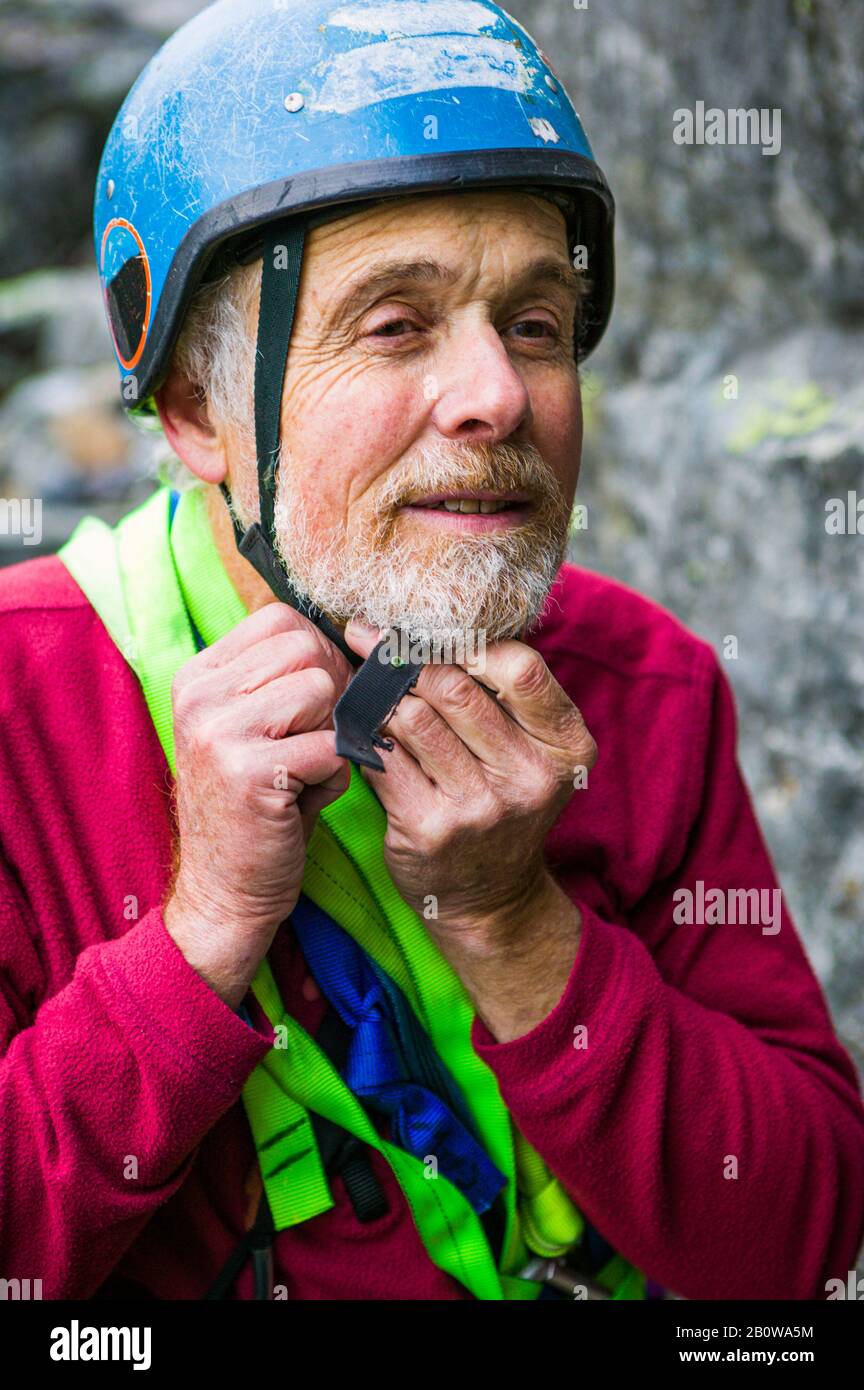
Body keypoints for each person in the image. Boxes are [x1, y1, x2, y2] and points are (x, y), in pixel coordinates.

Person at [1, 0, 862, 1302]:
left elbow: (803, 1237)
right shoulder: (25, 708)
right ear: (194, 411)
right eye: (396, 325)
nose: (500, 393)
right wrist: (200, 934)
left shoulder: (650, 680)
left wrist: (521, 925)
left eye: (535, 322)